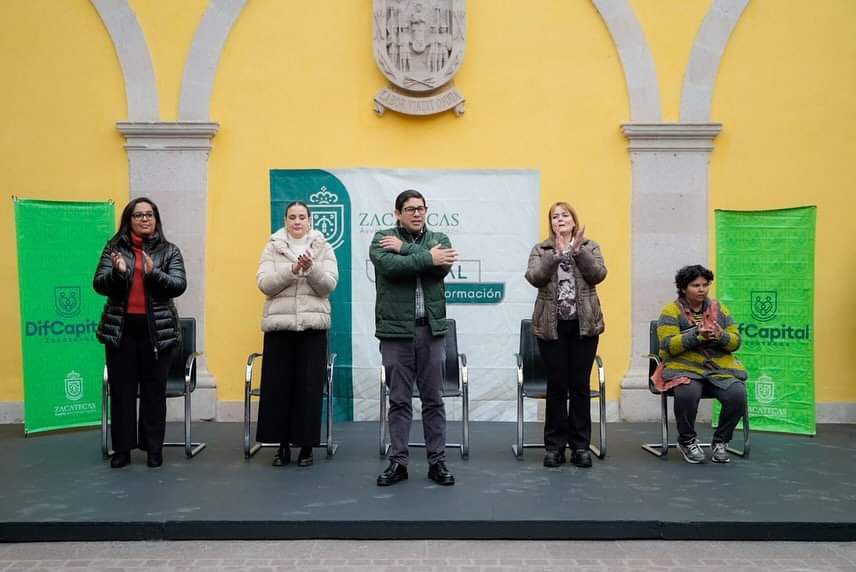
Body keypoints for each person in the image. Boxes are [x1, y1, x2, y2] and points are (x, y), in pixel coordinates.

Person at [370, 189, 458, 486]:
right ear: (397, 213)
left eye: (421, 208)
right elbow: (391, 268)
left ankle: (437, 462)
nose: (417, 213)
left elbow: (440, 269)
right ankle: (398, 462)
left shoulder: (439, 239)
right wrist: (425, 258)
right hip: (396, 333)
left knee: (434, 399)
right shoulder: (383, 238)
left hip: (430, 330)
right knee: (399, 400)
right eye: (410, 209)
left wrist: (406, 249)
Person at [93, 197, 186, 469]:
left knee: (153, 393)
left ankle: (153, 448)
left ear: (156, 219)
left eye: (149, 215)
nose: (144, 219)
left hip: (156, 331)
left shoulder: (170, 251)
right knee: (122, 392)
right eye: (138, 215)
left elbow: (179, 285)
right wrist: (118, 274)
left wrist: (153, 273)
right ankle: (122, 449)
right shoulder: (114, 249)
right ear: (129, 219)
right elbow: (99, 284)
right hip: (121, 330)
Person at [255, 201, 338, 468]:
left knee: (309, 388)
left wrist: (311, 269)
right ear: (285, 221)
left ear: (310, 220)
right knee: (278, 389)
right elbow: (264, 284)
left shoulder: (323, 247)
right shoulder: (273, 246)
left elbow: (328, 286)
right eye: (292, 217)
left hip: (312, 328)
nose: (297, 221)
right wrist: (291, 271)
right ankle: (281, 447)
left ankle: (306, 446)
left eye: (302, 217)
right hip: (280, 328)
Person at [525, 202, 606, 469]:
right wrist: (557, 255)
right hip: (552, 326)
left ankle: (580, 446)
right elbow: (534, 277)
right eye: (554, 216)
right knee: (557, 386)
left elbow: (598, 275)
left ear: (573, 220)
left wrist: (577, 251)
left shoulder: (589, 247)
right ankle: (554, 447)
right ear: (551, 223)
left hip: (584, 326)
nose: (560, 219)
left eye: (565, 215)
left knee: (580, 385)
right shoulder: (541, 249)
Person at [655, 264, 747, 464]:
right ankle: (687, 441)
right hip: (684, 368)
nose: (702, 289)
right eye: (695, 285)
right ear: (683, 288)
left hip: (717, 369)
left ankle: (721, 441)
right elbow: (668, 345)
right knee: (687, 393)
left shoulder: (719, 309)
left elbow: (736, 341)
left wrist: (721, 336)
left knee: (737, 394)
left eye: (705, 285)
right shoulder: (670, 311)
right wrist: (696, 335)